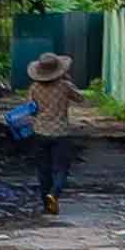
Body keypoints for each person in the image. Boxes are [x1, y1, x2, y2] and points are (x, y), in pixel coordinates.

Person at [17, 49, 81, 211]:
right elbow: (80, 98)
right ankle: (54, 193)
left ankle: (47, 204)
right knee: (61, 168)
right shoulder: (65, 86)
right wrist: (68, 81)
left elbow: (29, 108)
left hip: (39, 132)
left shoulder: (34, 88)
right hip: (61, 133)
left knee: (43, 169)